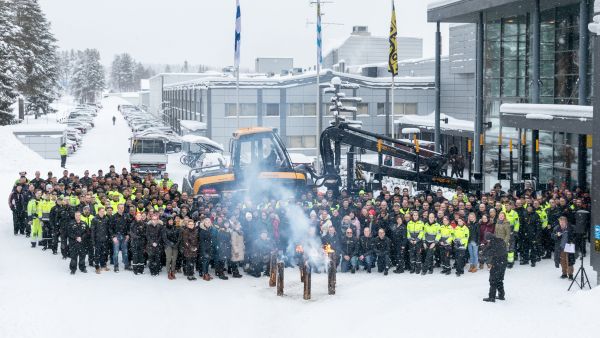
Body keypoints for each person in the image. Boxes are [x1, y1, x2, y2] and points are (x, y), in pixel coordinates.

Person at [482, 232, 507, 302]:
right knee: (499, 279)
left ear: (490, 239)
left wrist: (483, 252)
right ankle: (501, 295)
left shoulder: (494, 244)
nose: (487, 241)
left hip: (497, 263)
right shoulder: (500, 240)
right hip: (503, 263)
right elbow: (488, 248)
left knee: (493, 280)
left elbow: (490, 252)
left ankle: (491, 297)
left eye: (487, 240)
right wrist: (484, 250)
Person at [91, 207, 110, 273]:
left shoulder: (106, 218)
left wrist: (108, 238)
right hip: (97, 240)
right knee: (97, 254)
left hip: (105, 239)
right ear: (98, 212)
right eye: (101, 211)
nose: (102, 212)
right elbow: (92, 231)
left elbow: (108, 229)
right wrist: (93, 241)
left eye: (103, 211)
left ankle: (103, 265)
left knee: (104, 253)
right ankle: (97, 267)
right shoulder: (94, 219)